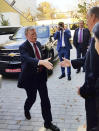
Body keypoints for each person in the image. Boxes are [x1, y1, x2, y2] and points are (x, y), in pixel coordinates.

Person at [60, 7, 99, 131]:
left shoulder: (97, 34)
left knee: (93, 124)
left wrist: (83, 90)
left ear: (93, 17)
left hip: (95, 96)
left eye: (87, 18)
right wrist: (71, 62)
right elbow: (88, 59)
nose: (87, 21)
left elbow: (93, 72)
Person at [17, 27, 60, 131]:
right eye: (32, 34)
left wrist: (45, 62)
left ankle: (48, 123)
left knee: (45, 99)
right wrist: (40, 62)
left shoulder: (39, 44)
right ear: (26, 36)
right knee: (32, 98)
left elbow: (41, 56)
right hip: (29, 78)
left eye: (35, 34)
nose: (35, 36)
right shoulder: (23, 47)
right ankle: (26, 109)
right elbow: (27, 59)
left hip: (41, 76)